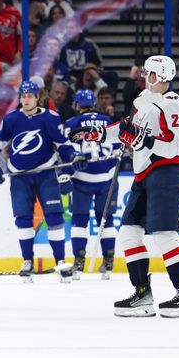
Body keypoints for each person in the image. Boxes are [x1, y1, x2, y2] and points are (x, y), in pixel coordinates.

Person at [73, 55, 179, 318]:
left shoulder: (173, 103)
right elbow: (126, 129)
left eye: (149, 74)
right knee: (129, 231)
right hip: (144, 174)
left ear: (161, 77)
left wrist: (142, 140)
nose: (144, 78)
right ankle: (142, 293)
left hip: (166, 171)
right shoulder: (142, 101)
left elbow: (173, 145)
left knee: (164, 233)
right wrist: (99, 134)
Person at [0, 80, 86, 283]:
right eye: (23, 96)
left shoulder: (50, 118)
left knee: (55, 217)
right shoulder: (12, 118)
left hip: (46, 174)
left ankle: (60, 261)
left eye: (30, 96)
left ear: (37, 97)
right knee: (23, 219)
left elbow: (63, 145)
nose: (26, 99)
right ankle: (27, 261)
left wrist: (73, 159)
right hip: (20, 176)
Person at [61, 89, 120, 280]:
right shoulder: (108, 121)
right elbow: (119, 148)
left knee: (79, 219)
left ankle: (78, 263)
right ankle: (109, 262)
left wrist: (72, 162)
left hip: (82, 179)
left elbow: (67, 148)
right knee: (107, 219)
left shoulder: (72, 123)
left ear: (77, 105)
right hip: (107, 178)